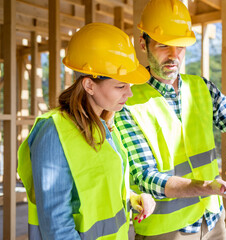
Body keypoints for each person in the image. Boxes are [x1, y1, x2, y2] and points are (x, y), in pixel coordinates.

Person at [114, 0, 226, 239]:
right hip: (166, 231)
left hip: (213, 220)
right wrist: (208, 188)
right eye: (164, 45)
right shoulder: (127, 102)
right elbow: (147, 178)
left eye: (181, 46)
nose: (174, 55)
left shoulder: (201, 88)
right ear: (143, 44)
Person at [17, 22, 156, 240]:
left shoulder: (103, 124)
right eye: (121, 86)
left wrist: (131, 197)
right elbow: (57, 227)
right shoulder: (54, 133)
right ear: (89, 86)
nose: (129, 94)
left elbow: (91, 190)